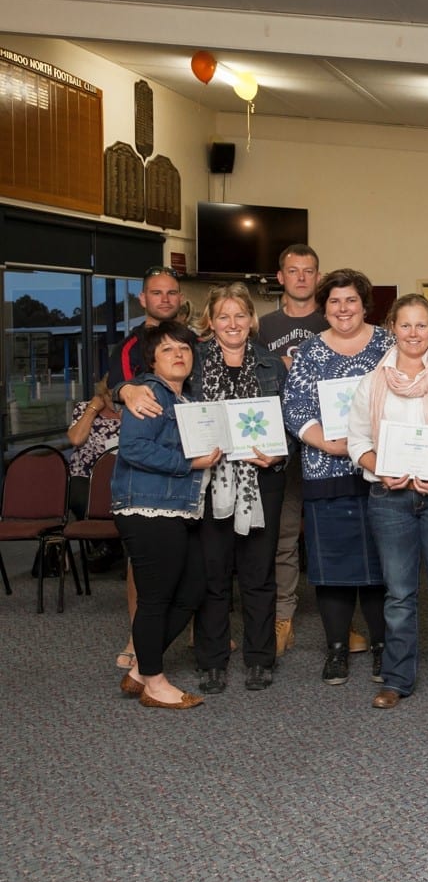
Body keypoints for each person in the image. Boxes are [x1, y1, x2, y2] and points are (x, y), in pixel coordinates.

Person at [347, 294, 428, 710]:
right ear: (392, 328)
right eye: (406, 325)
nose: (414, 333)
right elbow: (357, 443)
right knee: (400, 595)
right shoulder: (372, 382)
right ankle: (396, 680)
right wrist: (380, 469)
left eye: (422, 325)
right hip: (390, 499)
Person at [282, 269, 394, 686]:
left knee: (383, 567)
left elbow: (407, 397)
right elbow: (294, 408)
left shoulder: (389, 344)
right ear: (323, 307)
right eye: (334, 301)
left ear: (365, 305)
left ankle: (384, 646)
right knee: (333, 570)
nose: (343, 309)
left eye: (351, 300)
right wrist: (330, 445)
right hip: (325, 470)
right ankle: (336, 650)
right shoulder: (309, 351)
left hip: (382, 471)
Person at [258, 244, 365, 657]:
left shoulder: (335, 319)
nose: (301, 277)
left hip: (333, 451)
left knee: (341, 537)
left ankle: (345, 625)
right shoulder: (263, 326)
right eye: (293, 270)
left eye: (309, 270)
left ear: (318, 277)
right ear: (280, 276)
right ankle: (283, 618)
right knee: (284, 536)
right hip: (282, 448)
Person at [112, 320, 222, 709]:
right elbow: (134, 450)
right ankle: (155, 683)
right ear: (152, 361)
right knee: (156, 599)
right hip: (147, 507)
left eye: (185, 349)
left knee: (192, 589)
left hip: (176, 509)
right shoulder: (149, 395)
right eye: (168, 350)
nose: (179, 355)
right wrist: (189, 463)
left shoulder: (186, 398)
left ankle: (142, 668)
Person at [189, 282, 288, 693]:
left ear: (252, 320)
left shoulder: (273, 365)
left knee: (258, 573)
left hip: (260, 480)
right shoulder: (190, 362)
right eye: (223, 316)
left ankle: (260, 658)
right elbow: (159, 393)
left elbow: (292, 424)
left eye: (240, 315)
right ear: (210, 321)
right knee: (212, 574)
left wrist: (278, 456)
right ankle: (212, 660)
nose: (232, 323)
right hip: (208, 482)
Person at [68, 379, 133, 666]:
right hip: (88, 480)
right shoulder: (87, 408)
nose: (114, 399)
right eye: (110, 394)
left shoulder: (134, 412)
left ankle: (116, 550)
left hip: (125, 478)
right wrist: (94, 409)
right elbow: (75, 440)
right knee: (89, 498)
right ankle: (106, 549)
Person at [107, 266, 183, 396]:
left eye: (171, 293)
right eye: (156, 293)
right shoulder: (128, 349)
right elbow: (119, 396)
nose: (165, 300)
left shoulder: (196, 342)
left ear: (180, 299)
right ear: (143, 299)